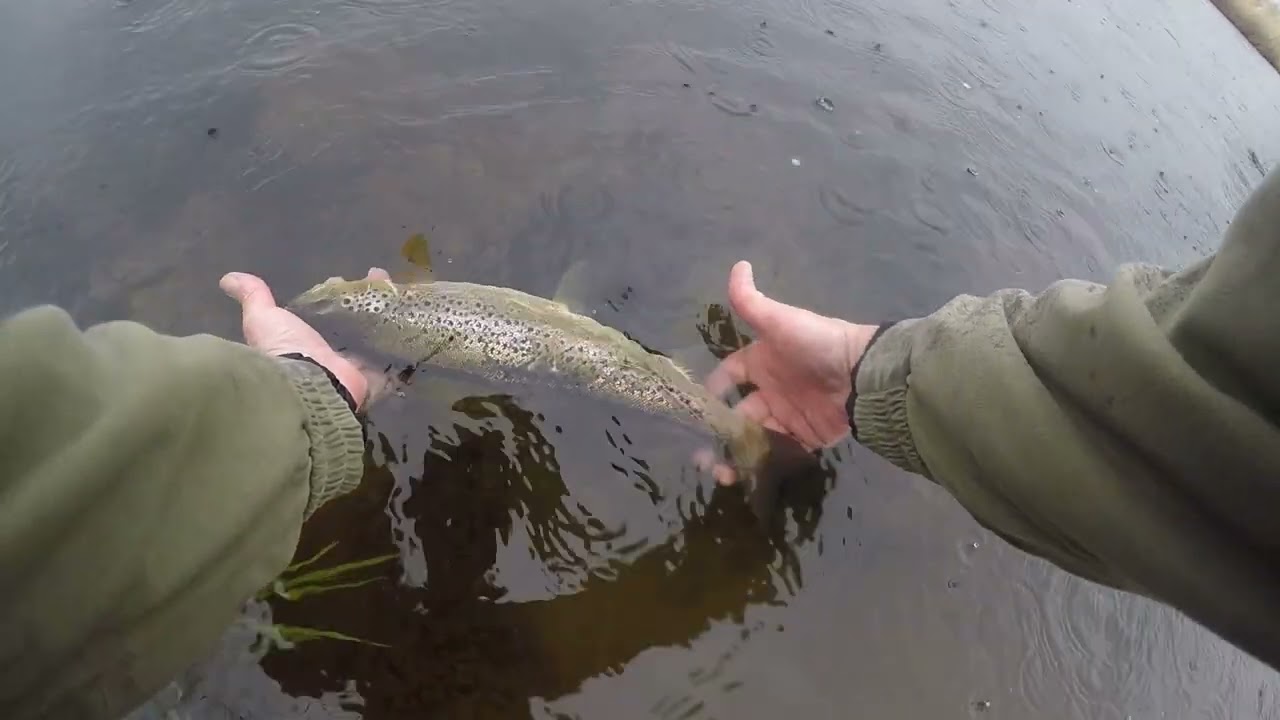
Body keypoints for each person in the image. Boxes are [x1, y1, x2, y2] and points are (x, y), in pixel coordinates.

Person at [1, 167, 1275, 718]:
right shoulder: (407, 309)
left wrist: (311, 383)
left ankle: (745, 442)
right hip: (571, 354)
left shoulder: (383, 326)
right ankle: (742, 443)